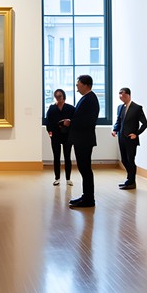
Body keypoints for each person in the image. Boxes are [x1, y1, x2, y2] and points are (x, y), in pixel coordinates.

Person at [66, 74, 100, 208]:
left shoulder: (90, 99)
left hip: (84, 139)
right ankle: (86, 196)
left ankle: (89, 199)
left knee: (85, 169)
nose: (76, 87)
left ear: (86, 85)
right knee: (83, 168)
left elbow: (88, 120)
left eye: (78, 84)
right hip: (81, 139)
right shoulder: (86, 98)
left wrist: (71, 122)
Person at [111, 87, 147, 190]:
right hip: (121, 137)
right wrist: (115, 130)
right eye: (119, 94)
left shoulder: (137, 108)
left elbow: (145, 124)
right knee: (124, 159)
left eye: (122, 94)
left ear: (128, 95)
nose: (120, 96)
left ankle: (131, 181)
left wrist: (136, 134)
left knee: (130, 160)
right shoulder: (120, 107)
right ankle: (130, 179)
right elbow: (118, 121)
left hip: (131, 139)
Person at [45, 88, 75, 186]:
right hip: (56, 136)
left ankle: (68, 179)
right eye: (56, 96)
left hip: (67, 135)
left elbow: (74, 121)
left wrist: (68, 124)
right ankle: (57, 178)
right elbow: (48, 122)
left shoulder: (70, 108)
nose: (58, 98)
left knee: (67, 157)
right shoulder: (52, 108)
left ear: (63, 96)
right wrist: (50, 132)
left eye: (60, 96)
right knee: (56, 157)